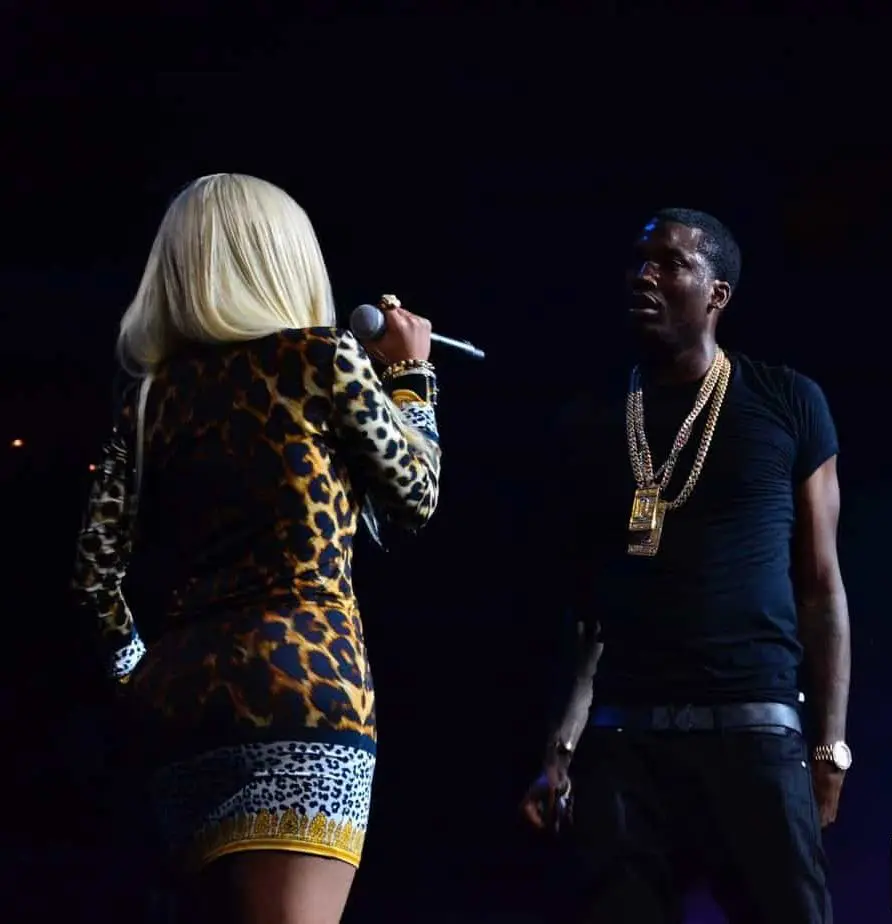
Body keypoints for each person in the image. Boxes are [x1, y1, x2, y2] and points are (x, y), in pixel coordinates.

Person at [71, 174, 442, 924]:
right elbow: (416, 493)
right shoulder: (321, 358)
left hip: (181, 705)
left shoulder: (148, 397)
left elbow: (91, 577)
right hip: (305, 689)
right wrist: (410, 378)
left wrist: (135, 670)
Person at [520, 208, 851, 923]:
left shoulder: (787, 401)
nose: (645, 275)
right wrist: (561, 747)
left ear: (716, 294)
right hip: (626, 741)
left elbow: (821, 587)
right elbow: (589, 610)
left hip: (754, 731)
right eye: (639, 260)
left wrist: (830, 747)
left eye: (671, 263)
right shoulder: (592, 419)